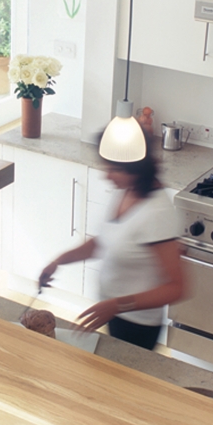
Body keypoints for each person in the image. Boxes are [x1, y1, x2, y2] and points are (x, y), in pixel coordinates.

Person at [38, 142, 185, 350]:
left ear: (136, 169)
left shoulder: (158, 213)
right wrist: (58, 261)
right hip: (114, 315)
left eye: (114, 169)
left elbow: (176, 288)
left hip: (138, 326)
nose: (106, 176)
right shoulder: (127, 190)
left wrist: (117, 305)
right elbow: (103, 242)